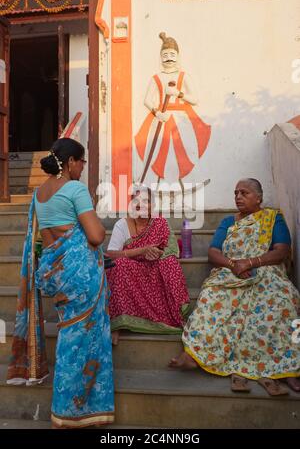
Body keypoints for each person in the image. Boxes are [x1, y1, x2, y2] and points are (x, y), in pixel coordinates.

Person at [7, 138, 114, 428]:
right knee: (87, 340)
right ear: (69, 163)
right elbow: (95, 236)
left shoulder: (39, 193)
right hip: (81, 276)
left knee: (70, 336)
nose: (83, 167)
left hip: (57, 274)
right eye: (81, 161)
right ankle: (79, 411)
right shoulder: (75, 189)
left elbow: (47, 237)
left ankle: (64, 410)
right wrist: (95, 227)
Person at [170, 178, 300, 396]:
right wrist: (233, 265)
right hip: (230, 271)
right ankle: (196, 354)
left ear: (259, 198)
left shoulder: (272, 218)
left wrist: (250, 263)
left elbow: (282, 250)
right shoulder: (228, 222)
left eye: (244, 193)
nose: (238, 197)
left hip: (265, 268)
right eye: (236, 193)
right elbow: (213, 252)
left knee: (284, 299)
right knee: (210, 296)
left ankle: (289, 366)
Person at [106, 186, 191, 345]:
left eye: (146, 201)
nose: (141, 205)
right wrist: (142, 251)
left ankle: (173, 315)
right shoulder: (122, 225)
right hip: (132, 273)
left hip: (154, 271)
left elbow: (172, 249)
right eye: (136, 201)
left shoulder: (160, 223)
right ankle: (117, 324)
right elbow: (111, 254)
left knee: (170, 262)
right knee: (118, 265)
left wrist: (157, 254)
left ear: (153, 205)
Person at [135, 31, 211, 187]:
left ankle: (189, 182)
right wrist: (158, 113)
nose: (168, 58)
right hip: (162, 117)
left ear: (177, 55)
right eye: (165, 54)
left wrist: (178, 93)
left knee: (185, 151)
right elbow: (147, 100)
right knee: (158, 151)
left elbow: (194, 99)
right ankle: (152, 182)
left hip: (182, 120)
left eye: (172, 54)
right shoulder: (156, 78)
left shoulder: (184, 76)